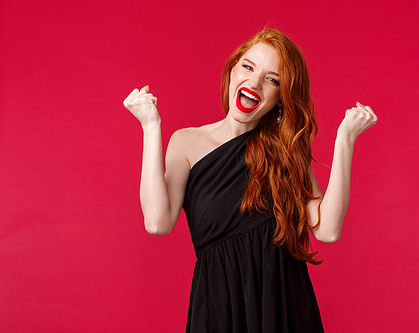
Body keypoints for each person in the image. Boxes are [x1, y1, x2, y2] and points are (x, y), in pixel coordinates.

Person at [123, 28, 377, 333]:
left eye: (272, 79)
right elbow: (157, 222)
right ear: (232, 71)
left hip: (283, 307)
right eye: (248, 66)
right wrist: (150, 126)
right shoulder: (186, 142)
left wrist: (345, 139)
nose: (254, 83)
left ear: (281, 98)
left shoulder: (286, 150)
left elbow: (328, 229)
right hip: (218, 306)